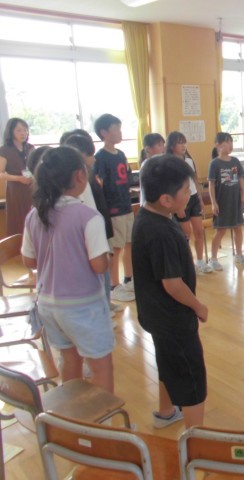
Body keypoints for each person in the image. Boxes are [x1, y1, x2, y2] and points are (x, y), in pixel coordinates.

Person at [21, 146, 114, 393]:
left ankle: (72, 415)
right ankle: (103, 416)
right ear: (80, 175)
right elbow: (98, 266)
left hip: (48, 304)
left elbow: (29, 261)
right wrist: (105, 256)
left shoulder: (35, 214)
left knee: (69, 360)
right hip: (83, 306)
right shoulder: (88, 216)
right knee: (101, 368)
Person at [132, 154, 209, 429]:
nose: (190, 194)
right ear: (166, 199)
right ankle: (196, 440)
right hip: (173, 318)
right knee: (192, 377)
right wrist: (198, 306)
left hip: (156, 315)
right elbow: (172, 284)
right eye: (186, 190)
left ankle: (166, 412)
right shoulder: (161, 231)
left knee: (168, 363)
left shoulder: (149, 217)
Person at [64, 133, 117, 317]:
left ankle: (106, 304)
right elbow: (88, 210)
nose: (93, 159)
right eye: (90, 155)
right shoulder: (79, 181)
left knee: (104, 271)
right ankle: (102, 309)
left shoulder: (88, 175)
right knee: (99, 273)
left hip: (99, 228)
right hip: (91, 233)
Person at [94, 114, 135, 303]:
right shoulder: (100, 158)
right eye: (116, 129)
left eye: (120, 128)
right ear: (104, 132)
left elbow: (127, 178)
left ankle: (129, 279)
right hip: (113, 209)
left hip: (126, 205)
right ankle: (114, 285)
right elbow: (100, 185)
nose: (120, 132)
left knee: (129, 243)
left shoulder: (121, 154)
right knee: (116, 248)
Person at [165, 131, 212, 274]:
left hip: (193, 198)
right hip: (180, 202)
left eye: (184, 142)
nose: (183, 145)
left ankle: (200, 261)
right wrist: (177, 208)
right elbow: (170, 186)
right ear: (171, 146)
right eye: (179, 143)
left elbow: (194, 180)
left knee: (199, 231)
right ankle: (187, 264)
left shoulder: (189, 161)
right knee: (186, 234)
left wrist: (200, 198)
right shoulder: (169, 163)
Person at [208, 132, 244, 270]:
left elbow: (241, 180)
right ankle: (213, 259)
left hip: (235, 202)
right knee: (220, 231)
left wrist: (243, 195)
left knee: (238, 228)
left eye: (231, 142)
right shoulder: (214, 164)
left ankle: (239, 255)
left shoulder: (235, 161)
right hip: (222, 203)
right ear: (218, 145)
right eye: (227, 142)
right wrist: (214, 203)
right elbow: (211, 185)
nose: (230, 145)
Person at [0, 118, 35, 236]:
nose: (23, 133)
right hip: (15, 189)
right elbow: (0, 174)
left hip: (31, 187)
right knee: (18, 219)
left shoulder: (30, 148)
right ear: (11, 132)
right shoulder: (4, 150)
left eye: (25, 130)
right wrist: (18, 178)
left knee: (33, 216)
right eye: (19, 130)